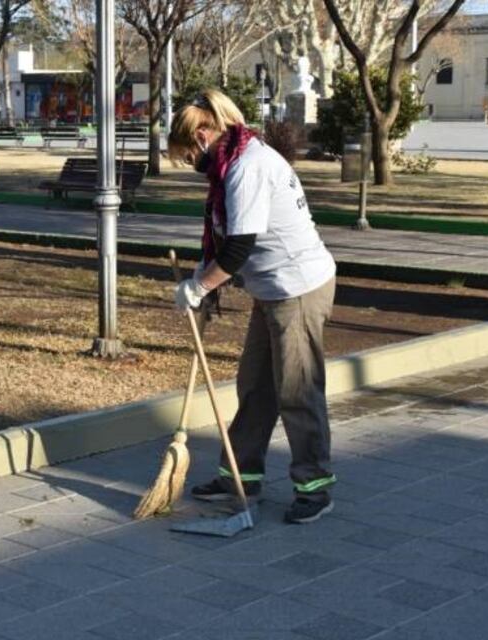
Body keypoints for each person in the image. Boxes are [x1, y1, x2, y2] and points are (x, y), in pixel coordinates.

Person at [169, 88, 337, 524]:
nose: (189, 162)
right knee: (255, 386)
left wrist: (201, 286)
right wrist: (199, 279)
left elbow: (239, 248)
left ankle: (314, 486)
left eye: (188, 151)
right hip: (271, 289)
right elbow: (221, 239)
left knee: (296, 389)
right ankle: (239, 475)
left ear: (204, 134)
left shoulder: (247, 166)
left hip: (297, 287)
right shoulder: (230, 165)